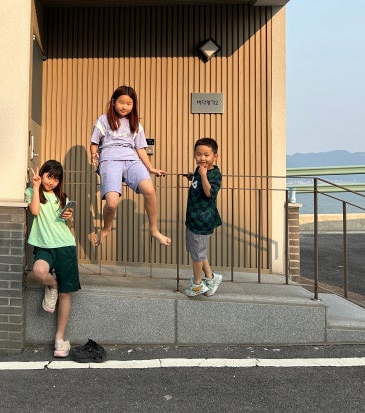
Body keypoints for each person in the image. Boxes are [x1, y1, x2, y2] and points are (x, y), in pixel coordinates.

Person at [89, 85, 171, 248]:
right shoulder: (103, 120)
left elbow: (140, 149)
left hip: (131, 159)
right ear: (113, 102)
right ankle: (106, 229)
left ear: (133, 105)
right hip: (110, 160)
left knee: (150, 190)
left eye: (128, 103)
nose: (124, 106)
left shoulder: (136, 124)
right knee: (112, 203)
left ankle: (154, 229)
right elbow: (94, 143)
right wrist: (93, 154)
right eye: (121, 102)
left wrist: (151, 168)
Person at [25, 160, 81, 358]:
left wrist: (69, 217)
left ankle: (60, 339)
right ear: (42, 174)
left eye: (56, 179)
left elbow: (67, 225)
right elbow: (34, 211)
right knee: (39, 271)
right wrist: (36, 186)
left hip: (65, 246)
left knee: (66, 294)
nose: (51, 182)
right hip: (44, 246)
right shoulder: (32, 192)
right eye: (49, 176)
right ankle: (53, 285)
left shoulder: (62, 198)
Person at [184, 137, 223, 297]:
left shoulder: (214, 174)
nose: (202, 158)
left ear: (215, 156)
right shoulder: (199, 170)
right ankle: (211, 277)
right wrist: (193, 176)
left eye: (207, 155)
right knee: (197, 250)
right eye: (199, 154)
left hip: (202, 220)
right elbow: (198, 184)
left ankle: (197, 283)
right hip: (193, 218)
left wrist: (203, 175)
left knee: (198, 254)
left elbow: (209, 193)